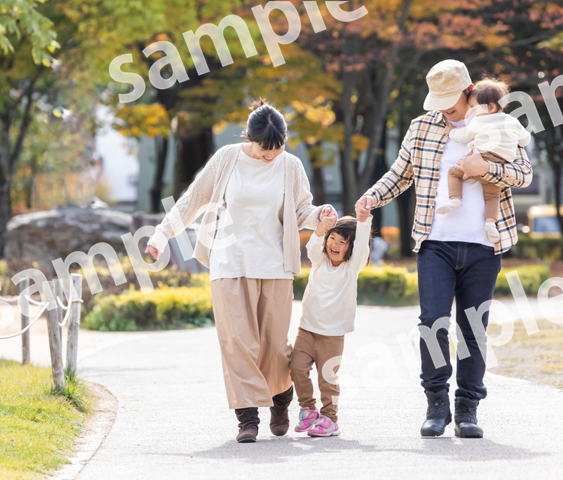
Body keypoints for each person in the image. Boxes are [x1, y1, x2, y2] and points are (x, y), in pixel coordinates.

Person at [355, 59, 532, 439]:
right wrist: (371, 197)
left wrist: (483, 170)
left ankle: (468, 408)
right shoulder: (422, 127)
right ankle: (436, 402)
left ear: (470, 93)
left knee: (473, 331)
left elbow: (524, 173)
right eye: (440, 106)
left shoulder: (497, 121)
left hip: (485, 244)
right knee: (432, 323)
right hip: (435, 243)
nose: (446, 112)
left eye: (451, 105)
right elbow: (400, 174)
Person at [146, 98, 334, 443]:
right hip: (229, 262)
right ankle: (247, 417)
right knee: (237, 341)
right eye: (265, 150)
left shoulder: (290, 166)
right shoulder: (227, 160)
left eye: (277, 150)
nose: (270, 156)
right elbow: (191, 201)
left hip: (275, 265)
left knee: (274, 345)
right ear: (248, 137)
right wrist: (161, 235)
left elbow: (302, 208)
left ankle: (281, 397)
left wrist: (321, 216)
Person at [290, 209, 373, 437]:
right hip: (307, 329)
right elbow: (312, 247)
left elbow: (362, 246)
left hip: (333, 335)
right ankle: (308, 409)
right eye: (332, 239)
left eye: (342, 242)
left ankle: (330, 418)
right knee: (296, 368)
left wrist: (364, 220)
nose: (334, 245)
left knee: (328, 378)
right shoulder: (319, 261)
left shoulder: (350, 268)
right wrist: (322, 227)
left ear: (351, 247)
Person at [437, 77, 532, 244]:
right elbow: (525, 140)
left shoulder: (479, 121)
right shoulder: (513, 121)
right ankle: (490, 224)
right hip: (499, 165)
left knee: (453, 173)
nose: (472, 112)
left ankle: (455, 200)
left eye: (474, 108)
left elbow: (463, 136)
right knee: (493, 196)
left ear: (491, 107)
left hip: (480, 158)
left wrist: (451, 131)